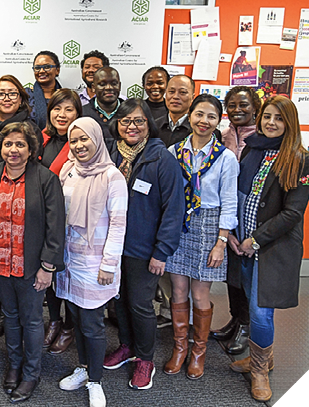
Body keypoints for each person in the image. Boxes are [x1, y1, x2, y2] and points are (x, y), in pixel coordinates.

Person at [0, 122, 65, 403]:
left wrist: (48, 267)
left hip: (31, 266)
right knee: (10, 317)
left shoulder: (46, 180)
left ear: (31, 149)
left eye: (20, 144)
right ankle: (14, 365)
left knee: (33, 319)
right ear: (0, 147)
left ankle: (31, 373)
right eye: (8, 144)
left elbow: (56, 226)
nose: (14, 150)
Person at [228, 96, 309, 402]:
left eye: (279, 118)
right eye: (267, 117)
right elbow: (239, 194)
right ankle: (262, 357)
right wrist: (234, 235)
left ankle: (260, 371)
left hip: (270, 247)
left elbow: (292, 213)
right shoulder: (253, 148)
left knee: (261, 313)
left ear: (289, 123)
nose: (271, 123)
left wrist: (256, 239)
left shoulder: (301, 159)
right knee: (252, 303)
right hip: (243, 243)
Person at [103, 98, 184, 391]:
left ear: (148, 123)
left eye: (138, 121)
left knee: (140, 305)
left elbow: (174, 209)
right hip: (112, 246)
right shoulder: (110, 154)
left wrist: (161, 252)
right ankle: (127, 347)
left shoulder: (161, 159)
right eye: (125, 121)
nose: (132, 127)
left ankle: (145, 359)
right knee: (119, 302)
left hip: (144, 249)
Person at [164, 94, 239, 380]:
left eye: (211, 116)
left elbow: (229, 201)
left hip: (209, 225)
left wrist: (221, 241)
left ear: (218, 121)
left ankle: (198, 351)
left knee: (200, 293)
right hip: (180, 224)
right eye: (199, 114)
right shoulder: (174, 152)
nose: (203, 121)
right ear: (190, 115)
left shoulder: (225, 157)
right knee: (178, 290)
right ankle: (179, 348)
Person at [56, 117, 127, 407]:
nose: (79, 145)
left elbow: (118, 225)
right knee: (75, 317)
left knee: (93, 324)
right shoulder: (67, 169)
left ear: (97, 139)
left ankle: (96, 381)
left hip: (96, 262)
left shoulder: (113, 177)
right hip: (69, 259)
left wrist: (108, 264)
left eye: (85, 138)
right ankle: (83, 369)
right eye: (74, 140)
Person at [212, 86, 262, 355]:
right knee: (233, 273)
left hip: (251, 214)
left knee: (247, 274)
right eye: (231, 105)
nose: (237, 110)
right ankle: (236, 319)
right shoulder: (222, 135)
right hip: (228, 212)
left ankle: (247, 326)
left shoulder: (263, 137)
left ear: (255, 106)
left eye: (243, 105)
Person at [39, 89, 82, 355]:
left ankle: (69, 326)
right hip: (43, 218)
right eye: (57, 109)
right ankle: (54, 320)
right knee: (49, 274)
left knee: (70, 277)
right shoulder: (41, 139)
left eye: (69, 110)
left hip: (71, 220)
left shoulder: (81, 142)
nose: (62, 115)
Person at [0, 75, 42, 172]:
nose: (7, 98)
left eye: (12, 94)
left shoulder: (32, 129)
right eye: (1, 94)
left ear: (20, 99)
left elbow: (35, 165)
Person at [82, 67, 123, 153]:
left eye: (114, 83)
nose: (109, 88)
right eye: (102, 84)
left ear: (119, 86)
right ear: (93, 87)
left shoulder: (130, 113)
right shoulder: (82, 114)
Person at [25, 51, 62, 130]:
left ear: (57, 70)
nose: (41, 71)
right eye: (37, 68)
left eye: (47, 67)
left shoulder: (66, 96)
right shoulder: (25, 95)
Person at [155, 75, 195, 147]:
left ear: (192, 97)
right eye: (171, 91)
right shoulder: (154, 126)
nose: (175, 96)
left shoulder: (197, 129)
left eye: (182, 92)